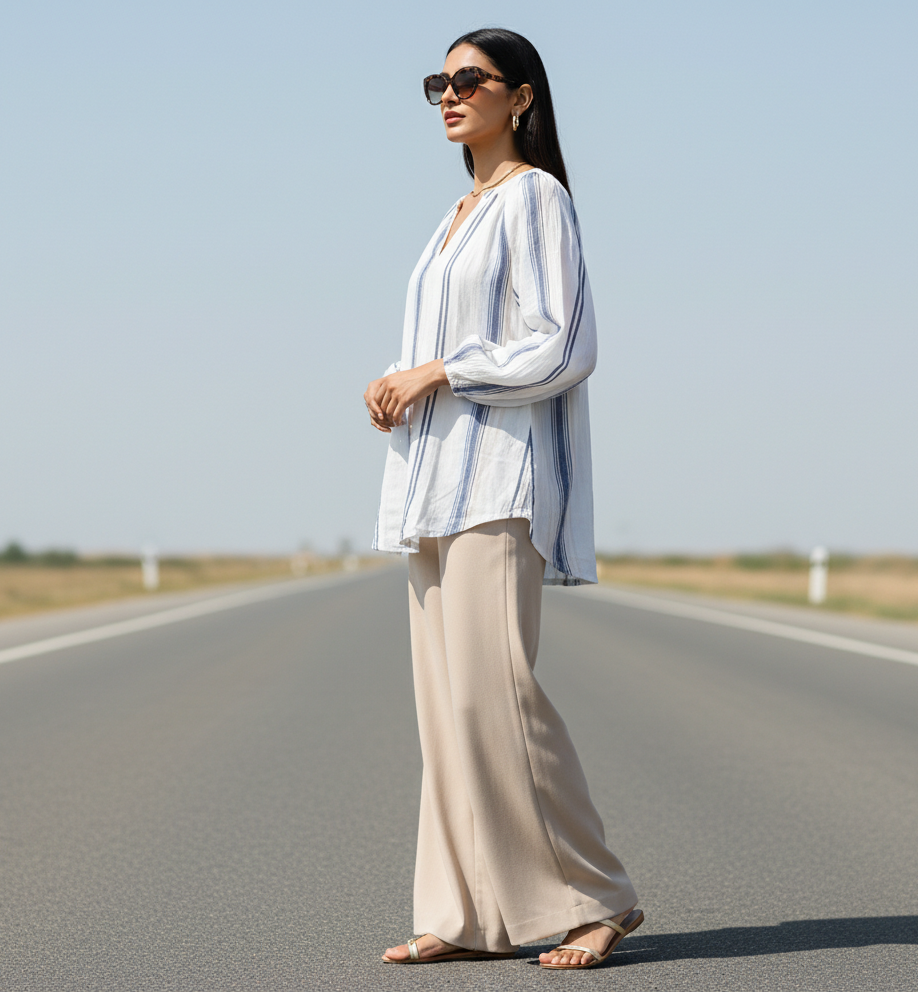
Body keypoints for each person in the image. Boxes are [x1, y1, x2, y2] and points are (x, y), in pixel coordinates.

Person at [363, 27, 642, 971]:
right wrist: (399, 382)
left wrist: (442, 369)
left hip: (496, 480)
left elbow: (564, 344)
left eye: (468, 81)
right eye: (437, 82)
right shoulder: (454, 214)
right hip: (431, 486)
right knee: (444, 707)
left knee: (499, 697)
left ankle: (597, 897)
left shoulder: (536, 198)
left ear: (519, 98)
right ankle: (464, 911)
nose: (448, 94)